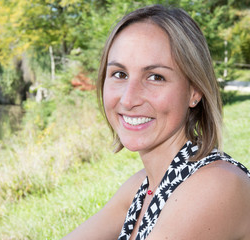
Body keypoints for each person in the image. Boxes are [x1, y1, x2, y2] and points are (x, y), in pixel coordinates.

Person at [62, 4, 250, 240]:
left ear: (194, 91)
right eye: (120, 74)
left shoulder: (217, 185)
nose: (128, 99)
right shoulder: (141, 186)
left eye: (155, 77)